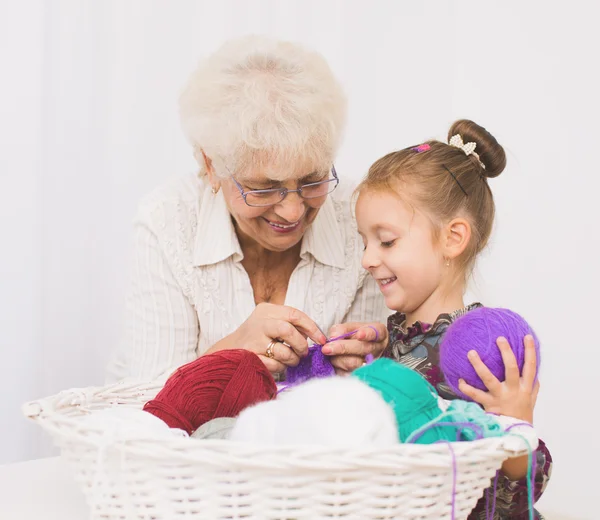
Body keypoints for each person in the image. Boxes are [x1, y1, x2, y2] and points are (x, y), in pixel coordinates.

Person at [106, 35, 388, 383]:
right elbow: (148, 401)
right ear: (211, 166)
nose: (292, 210)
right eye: (264, 188)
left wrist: (382, 359)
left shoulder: (361, 218)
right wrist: (232, 353)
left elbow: (365, 394)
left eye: (312, 180)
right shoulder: (167, 222)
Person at [354, 120, 552, 519]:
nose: (368, 259)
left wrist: (516, 426)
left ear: (452, 238)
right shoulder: (391, 339)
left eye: (386, 241)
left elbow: (521, 492)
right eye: (365, 241)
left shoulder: (483, 353)